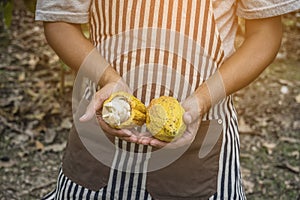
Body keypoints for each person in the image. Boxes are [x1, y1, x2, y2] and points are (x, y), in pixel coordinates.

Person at [35, 0, 299, 199]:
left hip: (200, 138)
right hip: (101, 135)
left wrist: (202, 100)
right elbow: (60, 22)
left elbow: (265, 34)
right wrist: (109, 80)